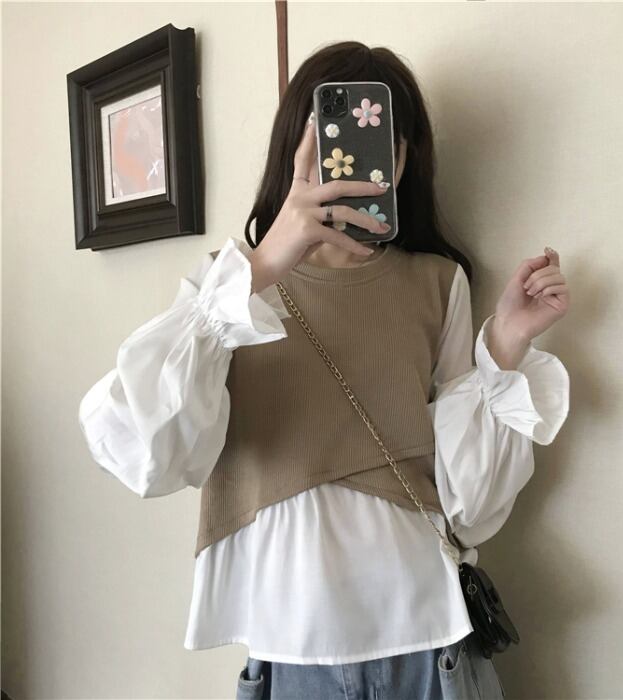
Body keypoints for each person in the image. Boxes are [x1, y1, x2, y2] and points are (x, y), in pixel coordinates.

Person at [78, 41, 570, 700]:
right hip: (290, 652)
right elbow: (145, 452)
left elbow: (468, 504)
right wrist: (260, 266)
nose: (356, 162)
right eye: (333, 139)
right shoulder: (226, 292)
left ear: (405, 159)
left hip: (430, 642)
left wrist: (505, 345)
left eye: (384, 143)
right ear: (296, 147)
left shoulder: (437, 282)